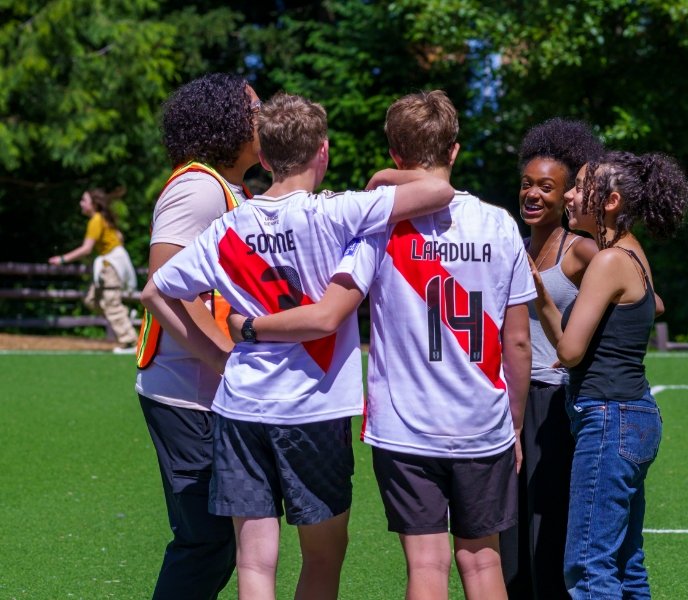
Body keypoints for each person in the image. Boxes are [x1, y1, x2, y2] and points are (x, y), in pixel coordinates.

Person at [140, 91, 455, 600]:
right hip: (314, 408)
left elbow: (157, 291)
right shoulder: (339, 212)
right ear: (323, 152)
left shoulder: (227, 225)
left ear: (263, 157)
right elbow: (438, 190)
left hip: (241, 407)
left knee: (255, 564)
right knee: (323, 556)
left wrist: (222, 356)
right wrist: (380, 180)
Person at [226, 90, 536, 600]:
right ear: (454, 150)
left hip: (405, 424)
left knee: (428, 568)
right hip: (483, 419)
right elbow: (518, 340)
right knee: (483, 565)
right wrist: (516, 423)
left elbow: (331, 302)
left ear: (394, 154)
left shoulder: (379, 224)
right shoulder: (500, 224)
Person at [531, 151, 688, 598]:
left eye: (580, 187)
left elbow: (570, 350)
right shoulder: (631, 252)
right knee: (625, 562)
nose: (569, 194)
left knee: (588, 564)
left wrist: (540, 296)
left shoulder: (606, 261)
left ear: (611, 201)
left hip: (608, 418)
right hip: (633, 416)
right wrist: (544, 297)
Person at [135, 72, 261, 600]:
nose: (268, 118)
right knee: (206, 539)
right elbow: (162, 286)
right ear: (229, 123)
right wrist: (228, 360)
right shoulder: (199, 187)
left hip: (206, 393)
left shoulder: (231, 189)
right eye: (258, 110)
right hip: (183, 391)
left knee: (220, 538)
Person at [499, 119, 603, 599]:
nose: (533, 195)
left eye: (546, 187)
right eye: (526, 185)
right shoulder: (513, 248)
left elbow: (647, 299)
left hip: (554, 404)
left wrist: (578, 336)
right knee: (508, 533)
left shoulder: (580, 250)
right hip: (508, 401)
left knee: (547, 528)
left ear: (567, 197)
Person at [48, 187, 138, 352]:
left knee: (111, 303)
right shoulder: (102, 219)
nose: (81, 204)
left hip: (111, 266)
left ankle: (131, 341)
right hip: (109, 264)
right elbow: (119, 237)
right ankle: (124, 317)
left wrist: (62, 259)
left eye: (84, 200)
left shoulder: (96, 220)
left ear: (93, 204)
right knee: (92, 299)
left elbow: (86, 249)